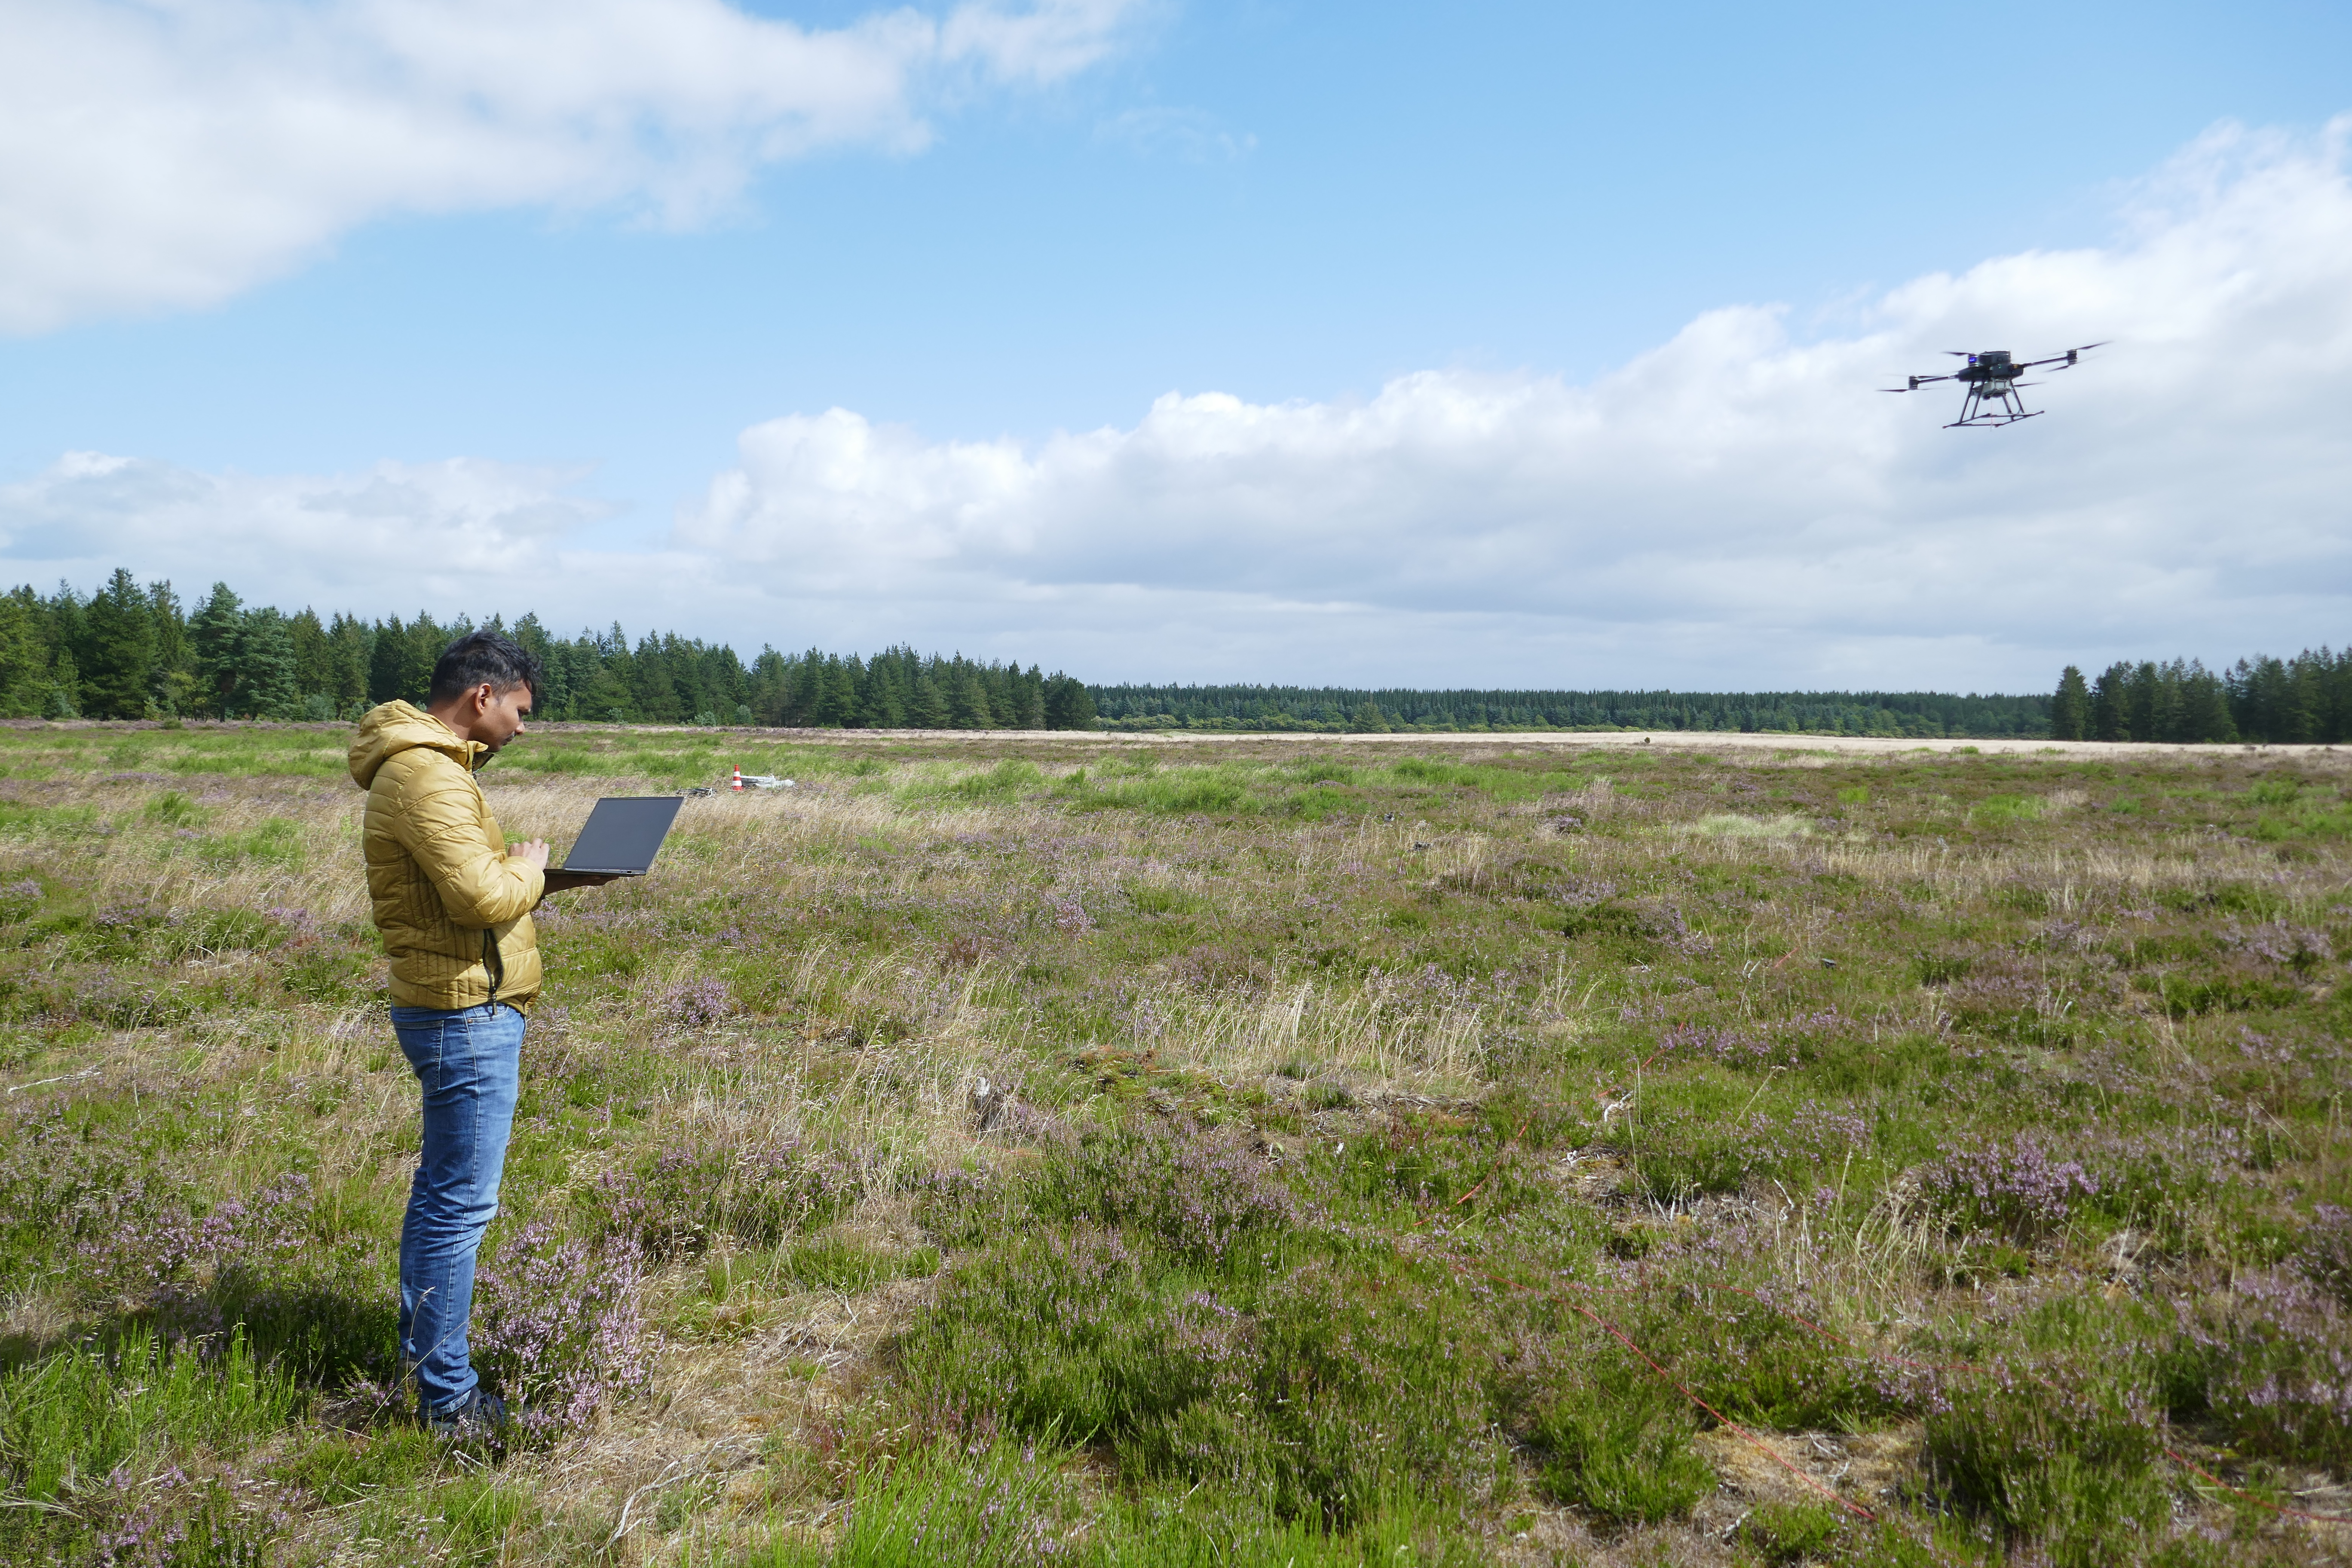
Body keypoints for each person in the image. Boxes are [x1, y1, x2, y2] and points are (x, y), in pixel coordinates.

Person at [347, 631, 614, 1432]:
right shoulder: (428, 776)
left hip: (462, 1004)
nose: (524, 729)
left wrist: (546, 878)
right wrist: (532, 870)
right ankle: (449, 1398)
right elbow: (479, 900)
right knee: (458, 1207)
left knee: (443, 1200)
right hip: (465, 1015)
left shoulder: (436, 769)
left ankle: (426, 1364)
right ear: (481, 698)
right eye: (521, 711)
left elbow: (467, 893)